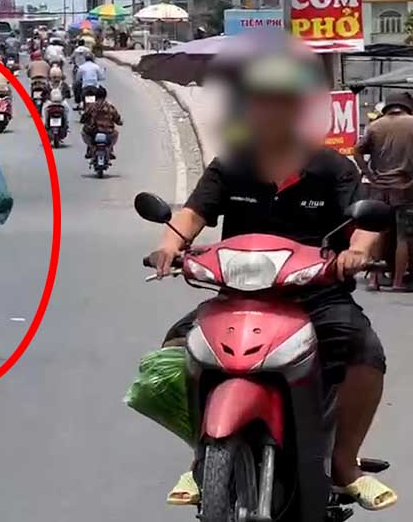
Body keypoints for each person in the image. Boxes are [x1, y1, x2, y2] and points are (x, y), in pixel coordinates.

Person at [147, 37, 395, 511]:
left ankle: (344, 462)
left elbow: (364, 224)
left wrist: (357, 253)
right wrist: (168, 245)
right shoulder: (232, 166)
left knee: (364, 349)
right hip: (238, 296)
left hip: (316, 295)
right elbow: (193, 214)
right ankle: (203, 456)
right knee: (176, 349)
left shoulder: (333, 169)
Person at [354, 91, 413, 291]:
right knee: (403, 237)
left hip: (379, 188)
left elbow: (357, 150)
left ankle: (374, 280)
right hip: (405, 189)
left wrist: (368, 174)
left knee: (378, 232)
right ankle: (397, 282)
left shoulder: (375, 126)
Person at [80, 85, 121, 159]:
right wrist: (119, 122)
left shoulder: (91, 106)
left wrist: (83, 121)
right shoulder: (110, 107)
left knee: (83, 132)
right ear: (105, 96)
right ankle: (110, 149)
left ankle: (91, 147)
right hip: (108, 131)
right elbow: (117, 118)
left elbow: (84, 116)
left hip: (94, 131)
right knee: (116, 133)